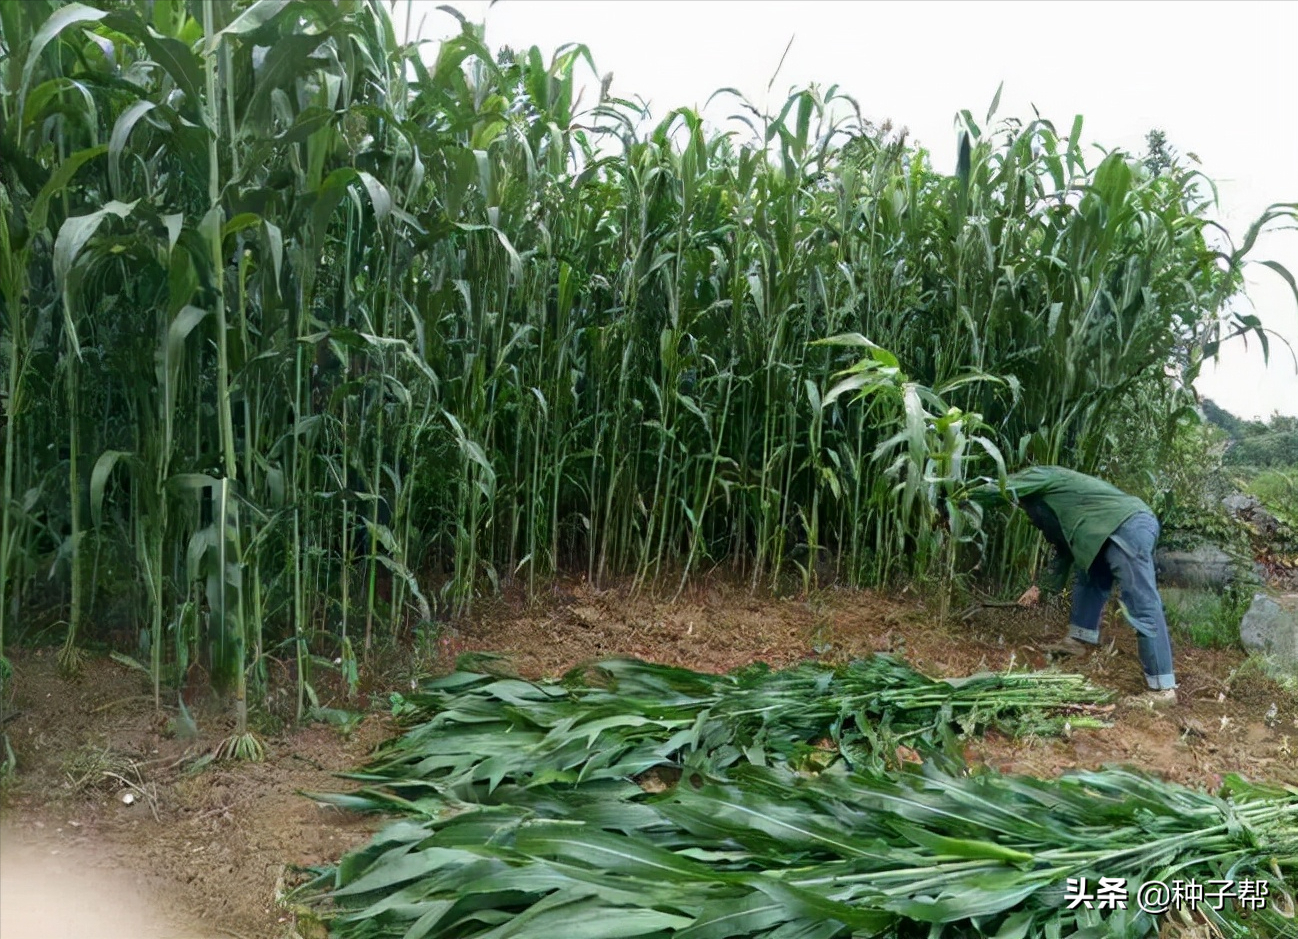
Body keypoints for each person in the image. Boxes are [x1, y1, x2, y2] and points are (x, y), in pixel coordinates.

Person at [972, 465, 1178, 706]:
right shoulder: (1056, 507)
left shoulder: (1042, 475)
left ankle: (1164, 689)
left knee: (1140, 601)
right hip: (1102, 533)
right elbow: (1064, 550)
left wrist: (957, 499)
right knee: (1088, 576)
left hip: (1126, 525)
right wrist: (1039, 588)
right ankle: (1079, 640)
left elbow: (998, 489)